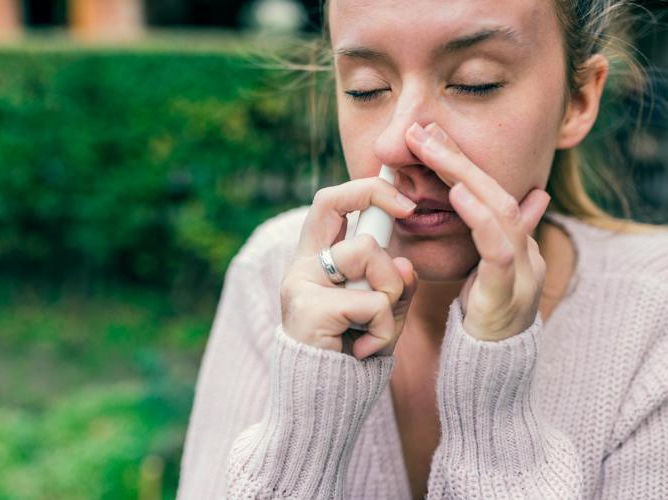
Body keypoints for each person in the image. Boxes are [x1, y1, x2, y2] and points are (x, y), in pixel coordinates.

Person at [177, 0, 668, 498]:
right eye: (366, 88)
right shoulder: (274, 273)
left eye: (475, 82)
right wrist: (306, 427)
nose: (396, 144)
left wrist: (493, 407)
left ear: (578, 100)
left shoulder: (655, 315)